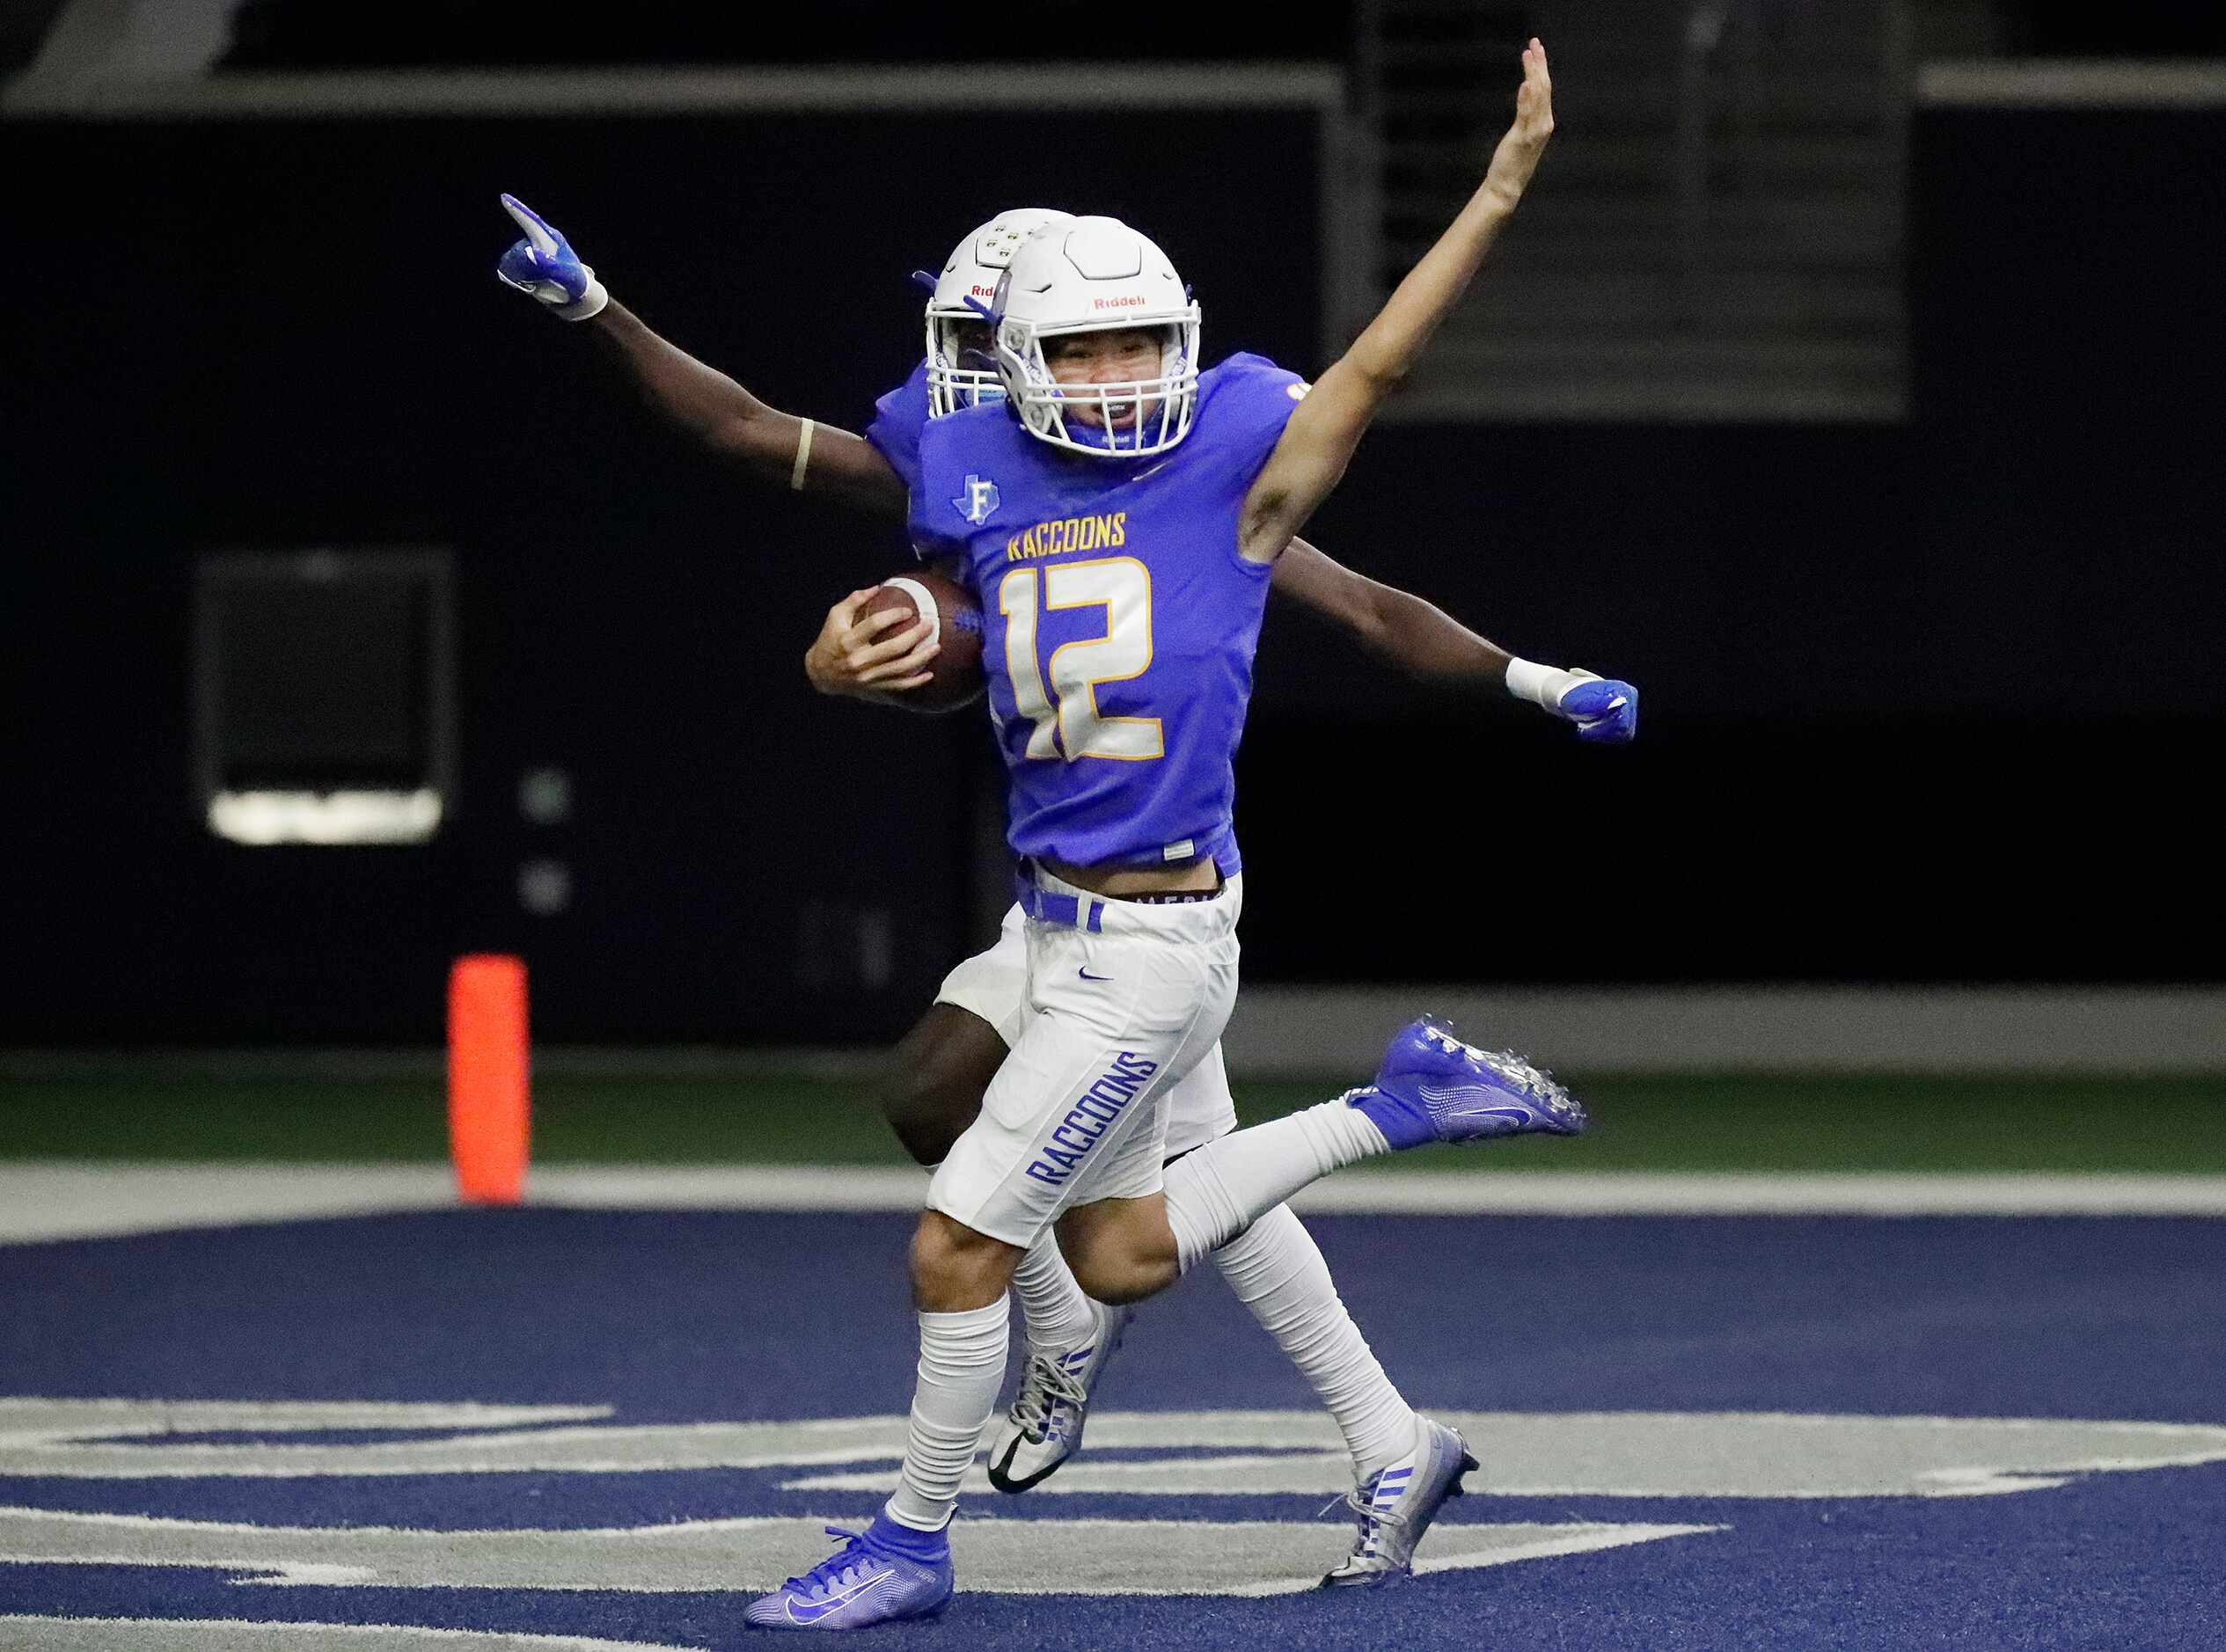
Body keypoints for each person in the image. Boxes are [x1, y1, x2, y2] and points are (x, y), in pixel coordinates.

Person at [493, 188, 1636, 1586]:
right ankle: (1391, 1437)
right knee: (1032, 1149)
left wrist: (1532, 675)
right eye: (1036, 347)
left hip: (1148, 926)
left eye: (1123, 347)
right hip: (1052, 908)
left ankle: (928, 1522)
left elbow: (1369, 574)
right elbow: (906, 588)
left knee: (1085, 1244)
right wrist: (595, 310)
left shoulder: (1213, 465)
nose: (1087, 380)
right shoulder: (970, 462)